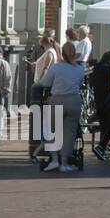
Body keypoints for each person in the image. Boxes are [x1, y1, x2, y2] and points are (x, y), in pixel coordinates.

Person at [36, 41, 85, 172]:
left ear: (62, 53)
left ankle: (54, 160)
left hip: (57, 99)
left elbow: (46, 82)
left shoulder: (57, 67)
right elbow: (80, 84)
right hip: (74, 100)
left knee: (53, 130)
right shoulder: (80, 69)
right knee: (70, 133)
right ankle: (65, 163)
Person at [91, 52, 110, 161]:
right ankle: (102, 147)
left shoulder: (96, 68)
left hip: (98, 100)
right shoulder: (109, 69)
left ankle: (102, 149)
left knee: (103, 125)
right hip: (108, 100)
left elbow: (91, 83)